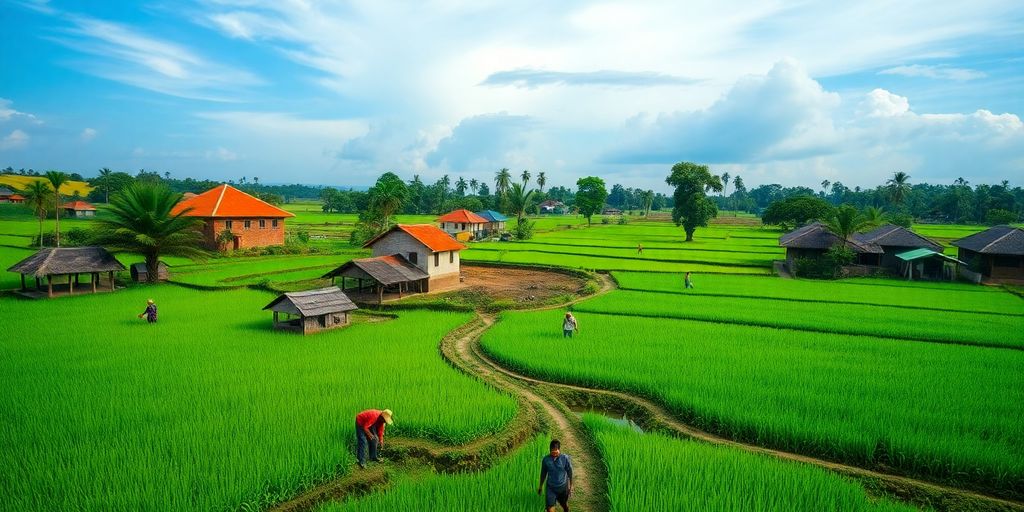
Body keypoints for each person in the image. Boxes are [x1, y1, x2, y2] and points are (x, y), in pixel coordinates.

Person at [538, 439, 573, 512]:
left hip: (563, 487)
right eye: (552, 450)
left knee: (564, 505)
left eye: (556, 450)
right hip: (551, 488)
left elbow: (569, 472)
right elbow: (543, 473)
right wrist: (540, 486)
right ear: (549, 450)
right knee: (550, 509)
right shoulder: (546, 460)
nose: (554, 453)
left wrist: (571, 485)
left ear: (559, 450)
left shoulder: (564, 458)